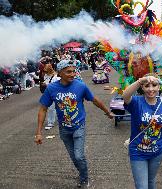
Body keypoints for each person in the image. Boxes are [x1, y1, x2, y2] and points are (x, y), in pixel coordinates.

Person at [34, 59, 114, 188]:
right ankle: (82, 173)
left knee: (79, 156)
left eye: (73, 71)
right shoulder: (51, 89)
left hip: (78, 126)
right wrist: (38, 132)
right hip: (64, 129)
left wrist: (107, 112)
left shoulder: (80, 86)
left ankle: (84, 178)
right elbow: (43, 109)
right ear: (60, 73)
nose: (73, 74)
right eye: (68, 72)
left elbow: (94, 100)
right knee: (74, 157)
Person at [122, 74, 162, 189]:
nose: (151, 89)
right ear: (142, 88)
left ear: (159, 86)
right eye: (147, 86)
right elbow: (125, 95)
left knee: (151, 181)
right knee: (142, 186)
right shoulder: (136, 102)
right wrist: (140, 80)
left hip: (157, 152)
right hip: (138, 151)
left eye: (154, 85)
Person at [42, 63, 60, 130]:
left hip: (55, 93)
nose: (45, 72)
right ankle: (51, 122)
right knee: (51, 108)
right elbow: (46, 81)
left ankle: (53, 122)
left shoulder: (56, 76)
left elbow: (57, 85)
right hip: (48, 93)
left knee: (55, 108)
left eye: (46, 70)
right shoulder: (46, 76)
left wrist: (47, 84)